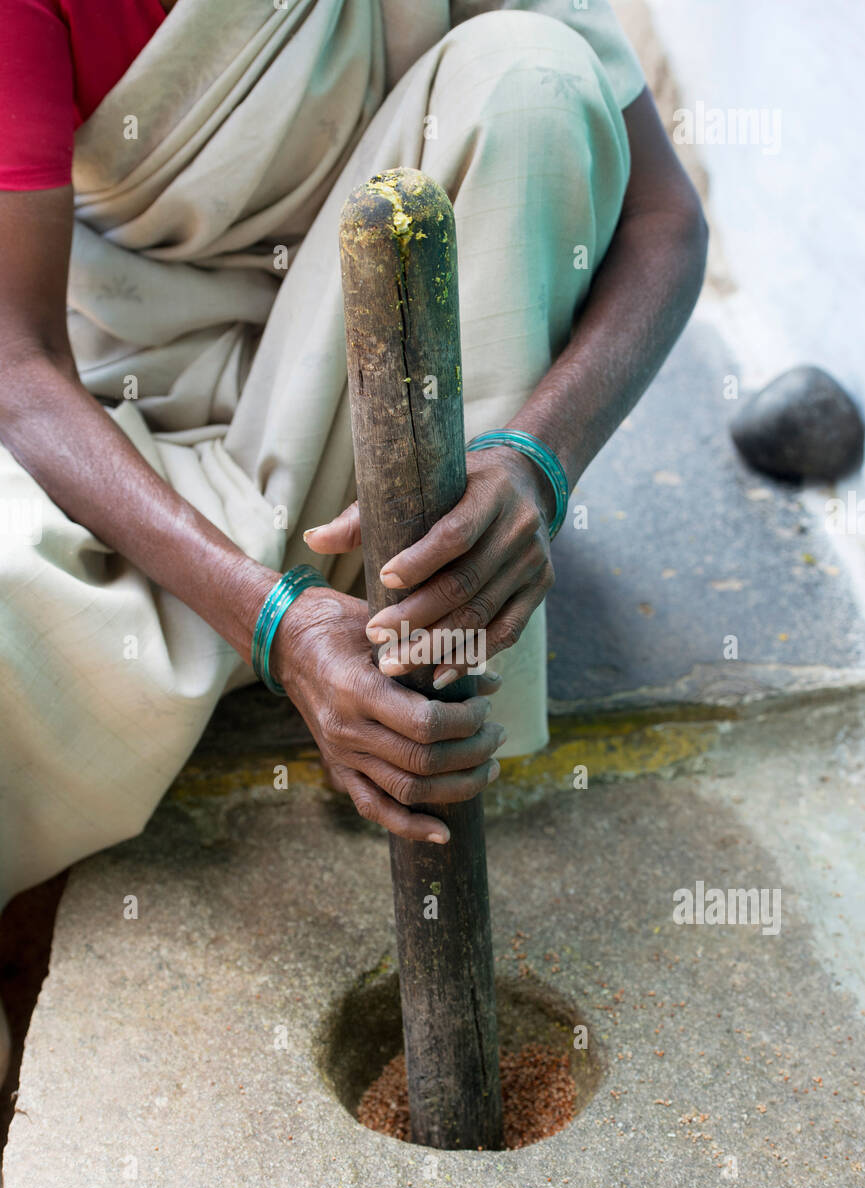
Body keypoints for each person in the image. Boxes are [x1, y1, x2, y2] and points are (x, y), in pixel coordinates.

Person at [0, 0, 706, 911]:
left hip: (388, 400)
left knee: (531, 73)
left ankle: (444, 619)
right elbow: (21, 369)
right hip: (146, 415)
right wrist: (279, 626)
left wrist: (534, 459)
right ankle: (312, 607)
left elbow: (665, 223)